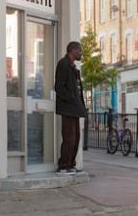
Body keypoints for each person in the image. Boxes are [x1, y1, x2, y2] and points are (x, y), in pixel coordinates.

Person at [55, 41, 86, 175]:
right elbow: (59, 87)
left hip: (75, 108)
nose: (81, 53)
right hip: (68, 108)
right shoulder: (63, 64)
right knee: (69, 137)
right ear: (72, 50)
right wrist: (71, 98)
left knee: (76, 137)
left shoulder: (73, 67)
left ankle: (71, 164)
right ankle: (63, 166)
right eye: (79, 50)